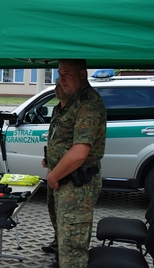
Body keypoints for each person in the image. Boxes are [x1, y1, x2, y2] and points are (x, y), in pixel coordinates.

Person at [46, 59, 106, 268]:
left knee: (73, 250)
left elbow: (80, 152)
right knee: (65, 239)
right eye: (59, 73)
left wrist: (53, 175)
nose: (61, 78)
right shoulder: (72, 101)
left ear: (82, 74)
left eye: (67, 73)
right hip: (66, 181)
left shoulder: (87, 103)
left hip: (77, 185)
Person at [41, 80, 70, 267]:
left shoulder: (76, 110)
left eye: (61, 86)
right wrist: (49, 159)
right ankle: (57, 243)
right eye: (56, 87)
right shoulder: (57, 109)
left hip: (66, 174)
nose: (57, 90)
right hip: (54, 168)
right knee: (53, 211)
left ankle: (63, 254)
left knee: (65, 216)